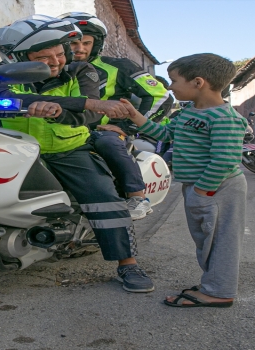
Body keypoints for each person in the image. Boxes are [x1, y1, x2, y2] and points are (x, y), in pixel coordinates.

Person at [0, 15, 154, 293]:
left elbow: (92, 113)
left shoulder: (83, 70)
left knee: (103, 197)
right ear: (17, 58)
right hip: (10, 148)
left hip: (67, 149)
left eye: (60, 54)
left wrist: (62, 112)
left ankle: (127, 263)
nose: (57, 62)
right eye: (44, 58)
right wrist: (65, 103)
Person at [114, 53, 248, 307]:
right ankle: (214, 283)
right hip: (202, 187)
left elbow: (224, 161)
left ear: (198, 82)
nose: (170, 87)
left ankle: (219, 293)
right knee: (206, 240)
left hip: (218, 188)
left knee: (221, 241)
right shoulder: (189, 112)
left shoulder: (224, 118)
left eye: (174, 81)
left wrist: (202, 191)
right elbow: (165, 133)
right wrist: (135, 117)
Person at [59, 12, 174, 220]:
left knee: (108, 142)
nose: (80, 49)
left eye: (86, 43)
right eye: (74, 43)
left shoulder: (119, 66)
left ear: (97, 43)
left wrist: (128, 127)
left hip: (103, 132)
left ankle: (137, 197)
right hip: (61, 130)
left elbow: (161, 97)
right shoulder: (54, 70)